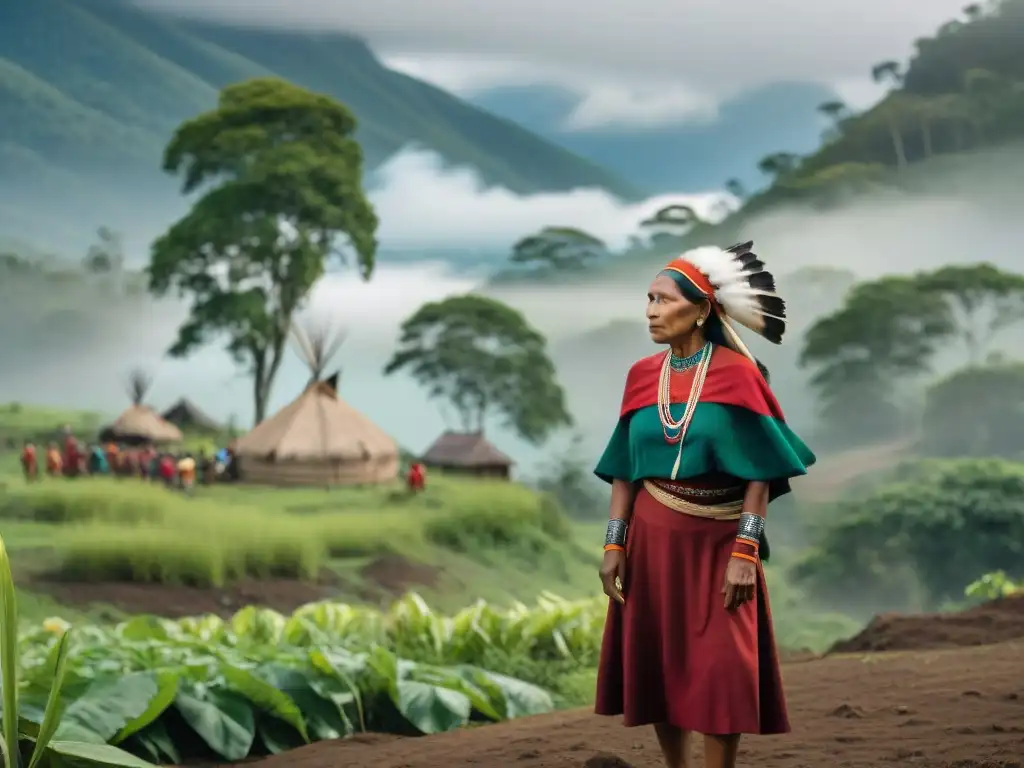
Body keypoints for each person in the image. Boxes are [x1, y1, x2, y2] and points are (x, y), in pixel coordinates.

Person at [593, 242, 816, 768]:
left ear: (700, 310)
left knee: (723, 670)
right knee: (662, 666)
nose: (650, 309)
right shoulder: (641, 376)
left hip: (720, 542)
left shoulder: (738, 376)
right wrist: (613, 543)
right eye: (647, 298)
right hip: (652, 541)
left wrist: (746, 550)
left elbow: (761, 469)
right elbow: (625, 467)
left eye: (663, 299)